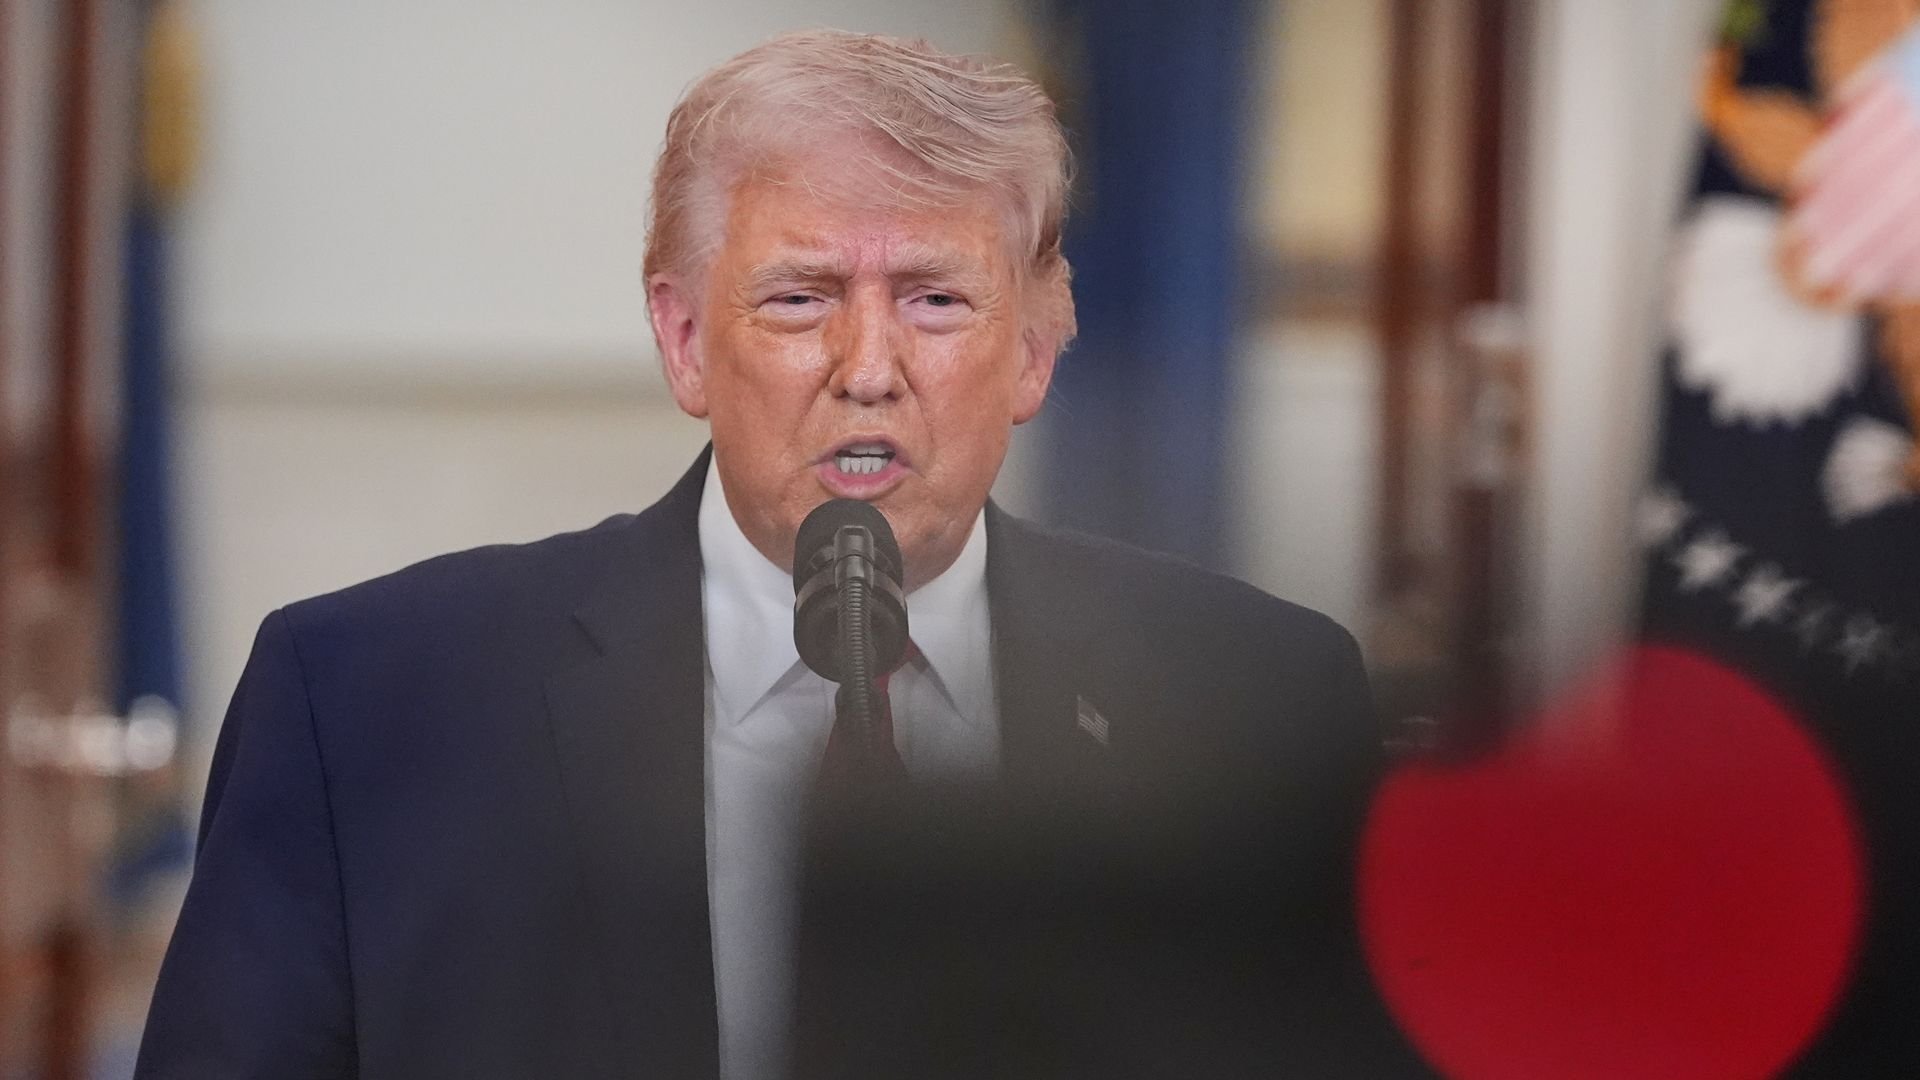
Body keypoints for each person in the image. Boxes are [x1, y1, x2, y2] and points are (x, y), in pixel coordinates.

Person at [135, 29, 1406, 1079]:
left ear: (1033, 349)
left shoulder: (1260, 702)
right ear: (685, 340)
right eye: (799, 298)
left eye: (936, 299)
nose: (868, 371)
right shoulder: (367, 705)